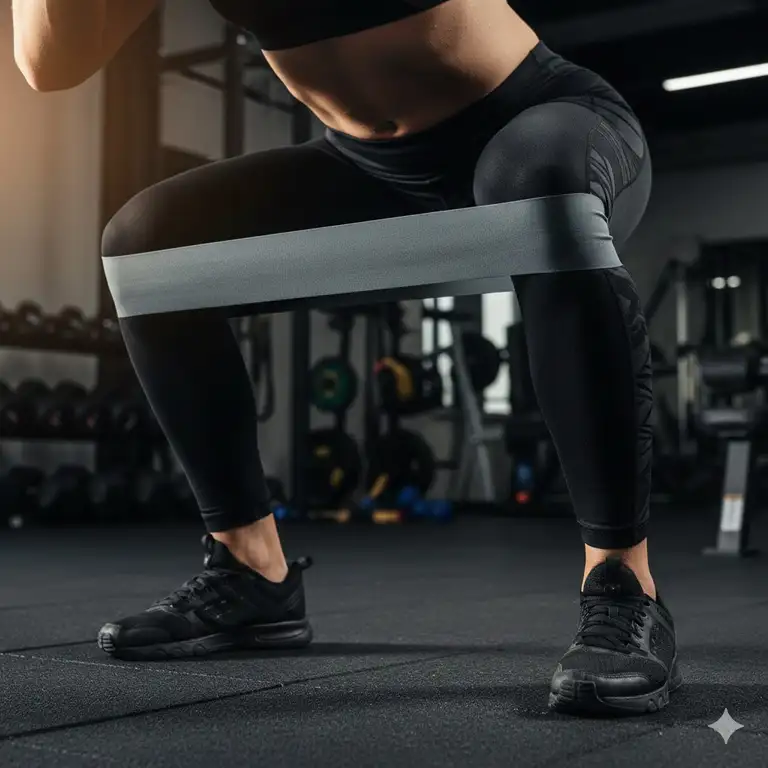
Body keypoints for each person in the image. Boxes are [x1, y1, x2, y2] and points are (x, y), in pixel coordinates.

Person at [13, 0, 679, 716]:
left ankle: (622, 585)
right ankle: (251, 570)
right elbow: (51, 65)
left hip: (540, 121)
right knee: (146, 245)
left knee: (539, 178)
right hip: (368, 169)